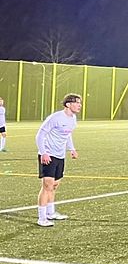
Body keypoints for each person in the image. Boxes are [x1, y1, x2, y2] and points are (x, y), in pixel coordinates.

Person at [35, 94, 82, 227]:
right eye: (77, 103)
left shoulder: (73, 118)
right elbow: (40, 135)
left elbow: (67, 134)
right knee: (47, 186)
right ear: (68, 104)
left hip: (60, 156)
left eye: (80, 103)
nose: (80, 105)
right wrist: (43, 153)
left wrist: (71, 149)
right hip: (48, 155)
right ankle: (42, 218)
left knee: (55, 185)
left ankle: (51, 213)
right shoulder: (55, 118)